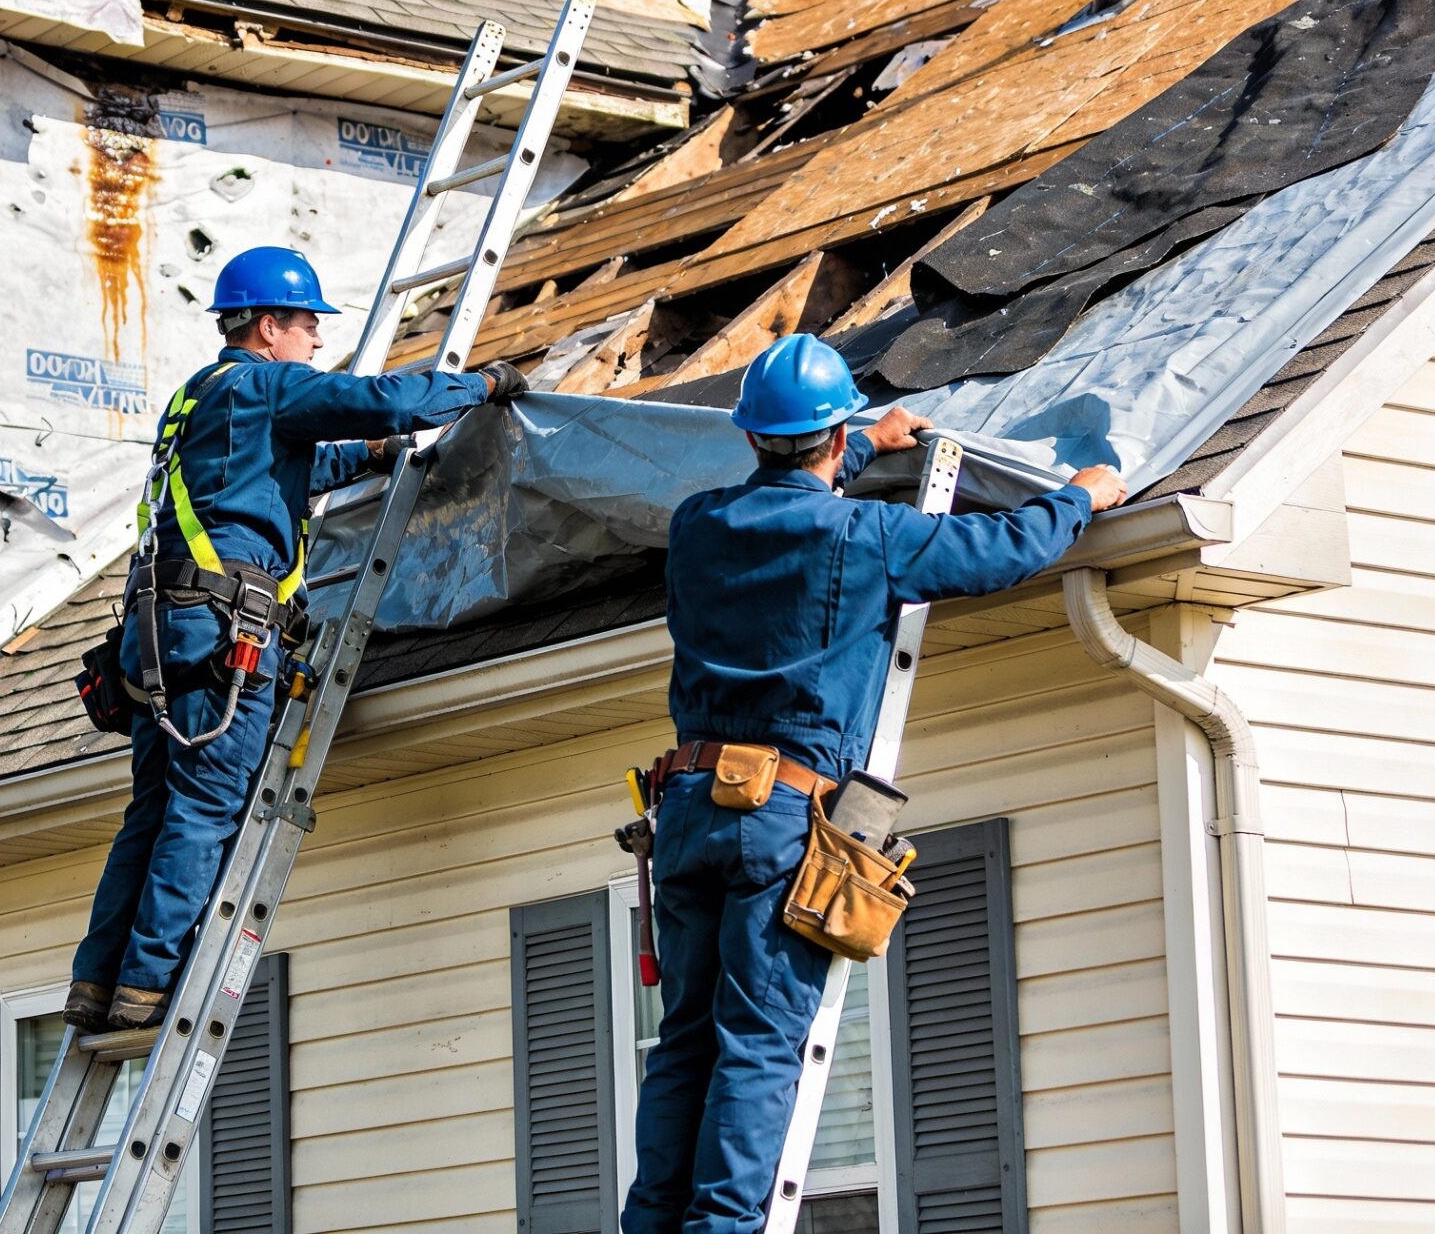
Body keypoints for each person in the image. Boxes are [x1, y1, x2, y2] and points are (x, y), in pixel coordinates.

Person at [626, 333, 1127, 1234]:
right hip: (778, 819)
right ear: (831, 437)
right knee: (760, 1043)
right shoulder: (867, 534)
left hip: (688, 810)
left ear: (750, 437)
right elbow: (1000, 549)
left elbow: (788, 481)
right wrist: (1079, 498)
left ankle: (653, 1223)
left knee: (685, 1041)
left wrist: (863, 441)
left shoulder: (695, 526)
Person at [67, 244, 527, 1033]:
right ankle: (152, 982)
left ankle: (98, 981)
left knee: (151, 810)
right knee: (208, 807)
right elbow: (385, 398)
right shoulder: (268, 383)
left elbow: (278, 475)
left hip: (159, 637)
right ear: (271, 325)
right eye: (309, 325)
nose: (317, 341)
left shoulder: (201, 397)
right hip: (220, 633)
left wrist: (369, 457)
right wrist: (481, 384)